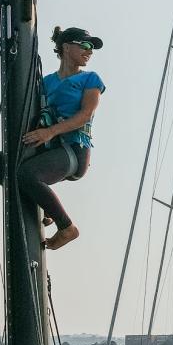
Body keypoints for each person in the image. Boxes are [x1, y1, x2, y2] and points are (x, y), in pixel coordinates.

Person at [15, 25, 105, 250]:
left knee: (27, 174)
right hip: (49, 146)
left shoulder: (91, 79)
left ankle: (67, 227)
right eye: (85, 45)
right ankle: (40, 202)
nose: (89, 51)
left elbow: (85, 115)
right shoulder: (45, 83)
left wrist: (51, 131)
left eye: (92, 48)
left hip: (74, 150)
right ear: (66, 47)